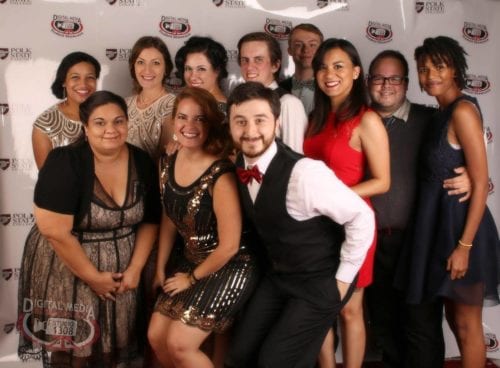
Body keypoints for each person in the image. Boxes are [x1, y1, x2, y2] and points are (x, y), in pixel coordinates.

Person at [224, 81, 375, 368]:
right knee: (239, 354)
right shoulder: (240, 165)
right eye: (240, 121)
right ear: (230, 125)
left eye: (260, 120)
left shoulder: (305, 174)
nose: (250, 131)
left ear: (277, 123)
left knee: (275, 362)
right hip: (280, 277)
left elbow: (362, 217)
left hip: (320, 279)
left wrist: (342, 281)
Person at [17, 91, 161, 367]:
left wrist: (135, 269)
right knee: (72, 352)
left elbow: (151, 219)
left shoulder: (141, 161)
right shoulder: (65, 161)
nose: (111, 130)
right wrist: (93, 277)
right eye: (100, 123)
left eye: (119, 121)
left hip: (123, 272)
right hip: (69, 268)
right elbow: (54, 230)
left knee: (115, 349)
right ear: (85, 127)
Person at [397, 36, 500, 368]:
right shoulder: (438, 113)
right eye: (423, 69)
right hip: (436, 227)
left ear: (455, 68)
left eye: (439, 67)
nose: (430, 76)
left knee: (467, 326)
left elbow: (481, 181)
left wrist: (464, 247)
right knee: (456, 323)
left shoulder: (464, 111)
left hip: (461, 231)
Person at [147, 87, 258, 368]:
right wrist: (161, 268)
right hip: (191, 260)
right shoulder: (167, 161)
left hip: (231, 264)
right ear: (173, 122)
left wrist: (191, 279)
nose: (190, 126)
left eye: (200, 119)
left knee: (180, 344)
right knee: (156, 336)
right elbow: (170, 219)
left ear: (211, 124)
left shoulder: (221, 173)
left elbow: (230, 246)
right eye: (183, 117)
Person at [303, 38, 390, 368]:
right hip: (315, 228)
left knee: (351, 309)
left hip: (352, 226)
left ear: (355, 72)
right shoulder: (315, 118)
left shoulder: (367, 120)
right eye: (323, 67)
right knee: (319, 306)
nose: (329, 74)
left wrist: (332, 200)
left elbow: (383, 181)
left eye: (339, 66)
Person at [237, 32, 308, 153]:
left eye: (258, 60)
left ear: (275, 65)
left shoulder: (288, 104)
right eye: (245, 60)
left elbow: (294, 158)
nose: (249, 67)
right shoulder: (240, 101)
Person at [32, 51, 100, 169]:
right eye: (75, 77)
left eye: (90, 77)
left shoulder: (108, 114)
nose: (83, 84)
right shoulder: (45, 124)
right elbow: (47, 181)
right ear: (63, 81)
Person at [126, 36, 176, 161]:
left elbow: (166, 160)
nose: (147, 70)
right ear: (133, 67)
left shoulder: (174, 106)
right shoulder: (124, 104)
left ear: (166, 69)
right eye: (141, 62)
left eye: (156, 63)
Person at [175, 36, 229, 112]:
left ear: (217, 70)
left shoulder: (220, 110)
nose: (193, 77)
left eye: (201, 69)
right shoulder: (191, 103)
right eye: (188, 68)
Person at [279, 23, 324, 115]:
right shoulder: (279, 89)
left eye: (312, 45)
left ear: (321, 50)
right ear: (290, 50)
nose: (306, 50)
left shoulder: (332, 88)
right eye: (298, 45)